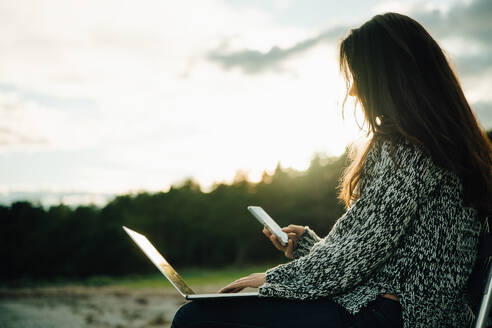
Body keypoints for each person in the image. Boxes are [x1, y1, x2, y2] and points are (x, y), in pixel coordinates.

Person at [171, 12, 492, 328]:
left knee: (196, 319)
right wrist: (309, 246)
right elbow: (375, 251)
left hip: (392, 316)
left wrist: (270, 278)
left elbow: (357, 256)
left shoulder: (410, 152)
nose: (353, 91)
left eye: (359, 78)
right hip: (400, 311)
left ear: (387, 80)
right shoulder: (447, 147)